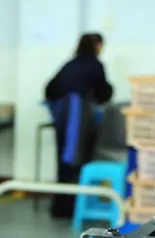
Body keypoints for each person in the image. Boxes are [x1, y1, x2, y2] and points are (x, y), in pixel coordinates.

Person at [45, 32, 114, 219]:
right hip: (76, 113)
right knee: (74, 159)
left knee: (64, 159)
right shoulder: (94, 65)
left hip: (63, 116)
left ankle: (61, 207)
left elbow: (49, 89)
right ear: (97, 46)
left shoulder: (70, 64)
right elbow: (104, 92)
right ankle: (69, 208)